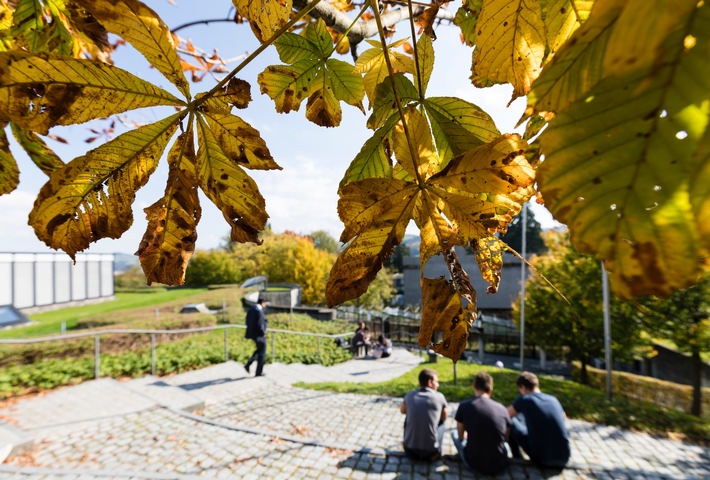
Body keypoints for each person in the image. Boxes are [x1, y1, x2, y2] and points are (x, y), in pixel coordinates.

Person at [507, 371, 571, 468]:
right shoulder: (553, 399)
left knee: (512, 421)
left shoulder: (525, 399)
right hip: (564, 457)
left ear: (523, 387)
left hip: (542, 458)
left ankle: (517, 457)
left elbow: (505, 414)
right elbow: (564, 419)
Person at [452, 372, 511, 475]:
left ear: (474, 386)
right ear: (490, 390)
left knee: (454, 433)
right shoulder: (502, 409)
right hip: (499, 464)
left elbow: (460, 436)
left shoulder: (464, 406)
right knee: (505, 445)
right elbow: (505, 438)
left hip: (473, 463)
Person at [400, 368, 448, 461]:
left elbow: (402, 411)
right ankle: (438, 449)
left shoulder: (409, 395)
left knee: (407, 418)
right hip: (431, 455)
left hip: (410, 453)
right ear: (430, 382)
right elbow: (444, 417)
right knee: (442, 423)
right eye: (437, 382)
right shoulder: (439, 396)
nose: (438, 385)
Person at [244, 296, 268, 377]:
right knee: (262, 353)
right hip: (259, 335)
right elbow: (260, 325)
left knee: (259, 350)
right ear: (262, 303)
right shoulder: (259, 311)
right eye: (265, 303)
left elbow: (247, 321)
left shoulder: (251, 310)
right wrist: (263, 333)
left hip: (252, 334)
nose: (266, 305)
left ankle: (249, 363)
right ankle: (258, 372)